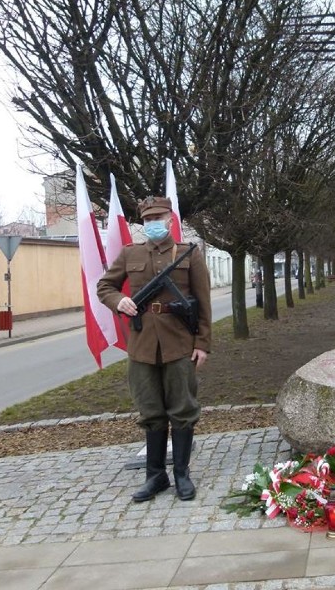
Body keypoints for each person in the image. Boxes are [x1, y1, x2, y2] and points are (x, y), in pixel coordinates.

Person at [98, 196, 212, 501]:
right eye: (147, 220)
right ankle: (156, 476)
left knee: (183, 410)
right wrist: (117, 301)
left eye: (158, 218)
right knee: (150, 410)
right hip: (142, 346)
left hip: (179, 343)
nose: (153, 224)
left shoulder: (189, 254)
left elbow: (202, 302)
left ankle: (182, 475)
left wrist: (202, 343)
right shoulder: (130, 253)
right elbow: (104, 287)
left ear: (170, 220)